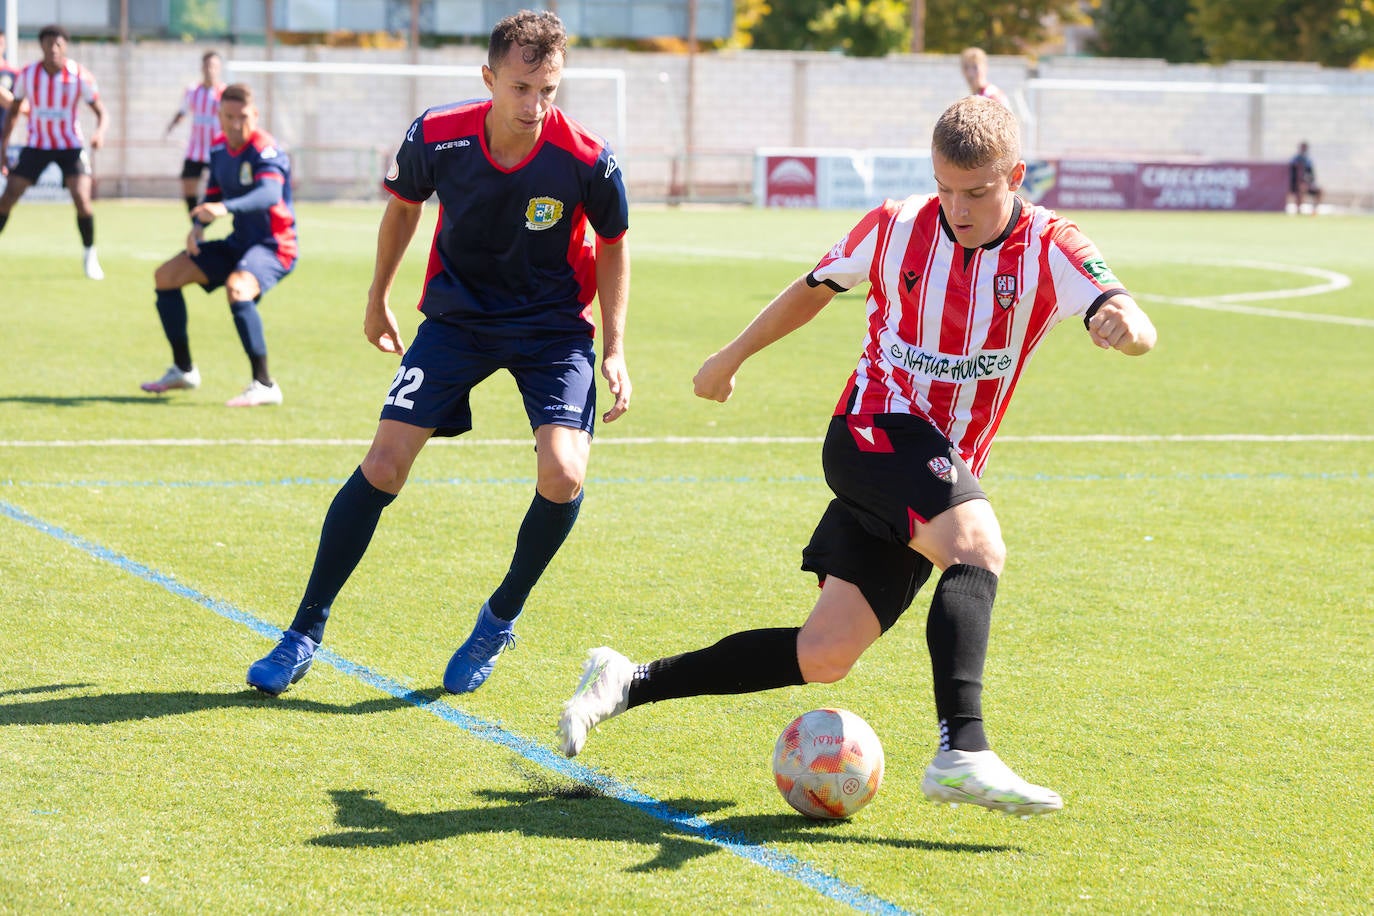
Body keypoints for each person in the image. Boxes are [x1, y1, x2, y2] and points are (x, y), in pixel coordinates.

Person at [558, 96, 1157, 818]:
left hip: (938, 467)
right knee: (977, 545)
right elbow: (812, 291)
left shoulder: (1052, 247)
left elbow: (1126, 313)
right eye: (945, 188)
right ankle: (962, 751)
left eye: (976, 192)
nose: (957, 208)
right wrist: (730, 356)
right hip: (872, 429)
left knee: (826, 654)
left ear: (1016, 177)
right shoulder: (896, 225)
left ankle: (626, 681)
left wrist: (1126, 330)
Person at [244, 10, 631, 698]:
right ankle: (303, 631)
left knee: (565, 472)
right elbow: (402, 209)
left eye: (548, 90)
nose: (535, 105)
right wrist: (377, 297)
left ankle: (498, 617)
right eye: (520, 88)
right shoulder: (437, 135)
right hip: (457, 320)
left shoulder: (586, 159)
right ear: (489, 78)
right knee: (385, 464)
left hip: (551, 330)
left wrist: (616, 349)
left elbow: (614, 244)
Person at [140, 83, 297, 407]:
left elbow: (269, 194)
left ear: (255, 114)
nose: (236, 124)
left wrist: (224, 209)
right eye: (229, 117)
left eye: (243, 117)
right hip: (239, 242)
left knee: (237, 288)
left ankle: (265, 384)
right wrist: (198, 226)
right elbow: (213, 194)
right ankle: (183, 370)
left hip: (274, 245)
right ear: (219, 117)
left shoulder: (265, 148)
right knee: (166, 276)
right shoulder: (219, 148)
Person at [0, 24, 108, 280]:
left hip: (69, 145)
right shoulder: (28, 75)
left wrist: (100, 132)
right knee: (9, 195)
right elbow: (14, 112)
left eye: (58, 44)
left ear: (65, 47)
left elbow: (101, 112)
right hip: (37, 144)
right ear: (42, 46)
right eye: (49, 44)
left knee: (82, 199)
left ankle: (89, 253)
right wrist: (4, 145)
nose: (54, 49)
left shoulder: (80, 75)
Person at [164, 51, 225, 213]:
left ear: (219, 69)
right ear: (202, 67)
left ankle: (205, 219)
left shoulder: (224, 93)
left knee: (222, 187)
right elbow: (183, 111)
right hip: (195, 149)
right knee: (188, 186)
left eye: (214, 66)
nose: (210, 69)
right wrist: (171, 126)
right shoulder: (192, 91)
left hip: (216, 149)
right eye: (207, 65)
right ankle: (195, 222)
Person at [1287, 141, 1321, 216]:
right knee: (1301, 189)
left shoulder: (1308, 161)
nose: (1304, 149)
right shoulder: (1294, 160)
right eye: (1302, 148)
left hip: (1306, 184)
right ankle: (1299, 211)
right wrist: (1299, 183)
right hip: (1294, 185)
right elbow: (1292, 175)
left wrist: (1309, 183)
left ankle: (1314, 212)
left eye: (1305, 148)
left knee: (1319, 191)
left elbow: (1311, 175)